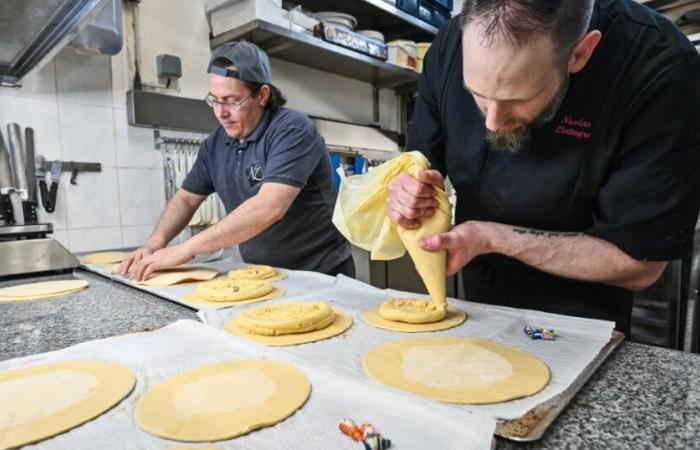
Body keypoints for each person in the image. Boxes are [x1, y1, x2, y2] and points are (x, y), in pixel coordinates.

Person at [387, 0, 700, 334]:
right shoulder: (450, 43)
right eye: (477, 95)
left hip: (587, 314)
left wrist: (491, 237)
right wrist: (408, 192)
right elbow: (418, 167)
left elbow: (639, 263)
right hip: (480, 298)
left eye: (517, 100)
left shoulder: (661, 67)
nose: (492, 123)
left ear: (580, 53)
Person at [119, 40, 353, 281]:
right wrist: (155, 243)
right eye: (215, 100)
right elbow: (187, 198)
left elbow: (268, 208)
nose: (221, 112)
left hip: (319, 272)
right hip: (262, 273)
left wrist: (185, 248)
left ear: (262, 95)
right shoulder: (217, 143)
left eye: (231, 100)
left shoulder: (292, 129)